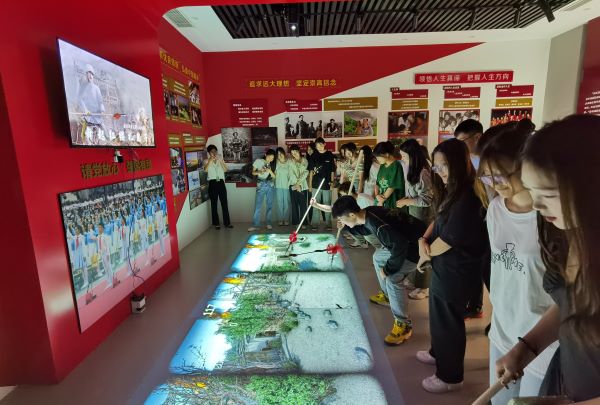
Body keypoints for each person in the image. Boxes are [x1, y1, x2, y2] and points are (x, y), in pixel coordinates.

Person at [496, 115, 600, 403]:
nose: (537, 204)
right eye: (532, 191)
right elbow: (572, 303)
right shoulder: (569, 234)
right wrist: (529, 346)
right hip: (567, 380)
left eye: (548, 194)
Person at [476, 120, 557, 404]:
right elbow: (499, 268)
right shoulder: (496, 209)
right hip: (503, 329)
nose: (494, 185)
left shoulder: (552, 217)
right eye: (487, 178)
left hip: (542, 339)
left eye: (500, 176)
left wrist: (529, 345)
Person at [416, 138, 489, 394]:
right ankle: (438, 352)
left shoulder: (468, 196)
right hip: (444, 265)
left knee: (448, 320)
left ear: (459, 163)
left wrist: (425, 255)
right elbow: (439, 219)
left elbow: (449, 240)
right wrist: (424, 239)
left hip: (457, 269)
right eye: (436, 166)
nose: (440, 172)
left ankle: (450, 376)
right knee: (438, 314)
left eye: (444, 165)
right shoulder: (452, 190)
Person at [332, 196, 426, 345]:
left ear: (351, 214)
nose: (341, 222)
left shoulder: (376, 223)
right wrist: (346, 226)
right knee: (378, 257)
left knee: (393, 278)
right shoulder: (368, 213)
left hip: (417, 248)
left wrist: (388, 270)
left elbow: (399, 246)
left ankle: (403, 325)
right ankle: (388, 296)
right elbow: (363, 229)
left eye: (342, 219)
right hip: (407, 241)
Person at [455, 118, 488, 320]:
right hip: (473, 223)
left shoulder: (489, 161)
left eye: (462, 141)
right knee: (475, 266)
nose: (460, 147)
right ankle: (475, 305)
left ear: (477, 137)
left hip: (488, 222)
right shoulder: (466, 162)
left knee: (487, 268)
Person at [397, 139, 434, 300]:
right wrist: (407, 199)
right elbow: (415, 194)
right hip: (415, 215)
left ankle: (424, 287)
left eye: (405, 156)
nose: (403, 159)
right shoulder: (413, 170)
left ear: (413, 155)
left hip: (423, 218)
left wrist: (406, 201)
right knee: (416, 249)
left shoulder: (423, 172)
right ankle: (415, 280)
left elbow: (426, 199)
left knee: (424, 251)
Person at [307, 137, 335, 231]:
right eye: (317, 145)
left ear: (324, 144)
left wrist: (332, 183)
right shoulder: (314, 155)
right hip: (316, 184)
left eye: (320, 144)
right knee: (315, 204)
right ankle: (315, 224)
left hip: (327, 184)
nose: (319, 146)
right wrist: (310, 185)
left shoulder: (329, 154)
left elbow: (332, 170)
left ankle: (328, 224)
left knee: (327, 204)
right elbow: (311, 171)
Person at [205, 145, 233, 230]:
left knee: (224, 203)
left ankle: (227, 223)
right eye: (212, 151)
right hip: (212, 183)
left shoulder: (220, 159)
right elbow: (205, 170)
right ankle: (216, 223)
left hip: (221, 182)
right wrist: (210, 160)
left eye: (215, 151)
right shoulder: (206, 161)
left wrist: (221, 161)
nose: (214, 153)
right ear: (209, 153)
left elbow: (226, 170)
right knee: (214, 204)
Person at [248, 149, 276, 232]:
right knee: (258, 206)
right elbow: (253, 172)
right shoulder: (259, 161)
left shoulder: (273, 164)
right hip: (261, 184)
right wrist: (260, 171)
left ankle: (269, 223)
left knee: (269, 205)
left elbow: (274, 176)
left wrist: (270, 171)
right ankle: (255, 225)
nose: (270, 159)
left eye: (272, 158)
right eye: (269, 157)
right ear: (265, 154)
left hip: (270, 184)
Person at [373, 141, 405, 209]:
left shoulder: (396, 166)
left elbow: (392, 186)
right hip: (381, 201)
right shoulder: (382, 166)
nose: (377, 159)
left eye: (378, 157)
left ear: (387, 154)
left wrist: (381, 200)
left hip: (392, 203)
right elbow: (377, 183)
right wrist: (377, 196)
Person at [288, 145, 309, 228]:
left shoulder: (305, 160)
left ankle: (303, 223)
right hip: (293, 185)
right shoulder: (290, 161)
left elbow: (305, 173)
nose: (294, 154)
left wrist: (298, 184)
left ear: (299, 151)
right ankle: (296, 222)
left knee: (303, 205)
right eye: (292, 153)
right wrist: (296, 184)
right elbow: (291, 174)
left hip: (303, 185)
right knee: (294, 205)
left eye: (295, 152)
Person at [274, 147, 291, 226]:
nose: (280, 155)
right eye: (278, 154)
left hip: (287, 185)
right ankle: (280, 219)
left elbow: (291, 174)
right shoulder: (276, 163)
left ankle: (286, 219)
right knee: (279, 202)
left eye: (281, 153)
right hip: (278, 186)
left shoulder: (289, 162)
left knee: (286, 203)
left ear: (284, 153)